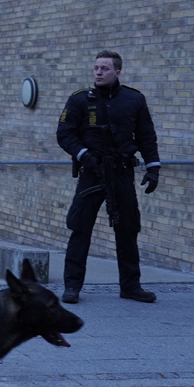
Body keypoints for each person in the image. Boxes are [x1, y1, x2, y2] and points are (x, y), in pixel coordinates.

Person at [56, 50, 161, 304]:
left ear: (117, 71)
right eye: (96, 68)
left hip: (122, 172)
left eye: (104, 68)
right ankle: (72, 286)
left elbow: (146, 135)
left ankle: (131, 286)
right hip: (92, 173)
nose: (98, 72)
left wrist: (153, 167)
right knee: (80, 228)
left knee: (128, 229)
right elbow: (64, 133)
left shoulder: (134, 99)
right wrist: (83, 155)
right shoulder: (79, 100)